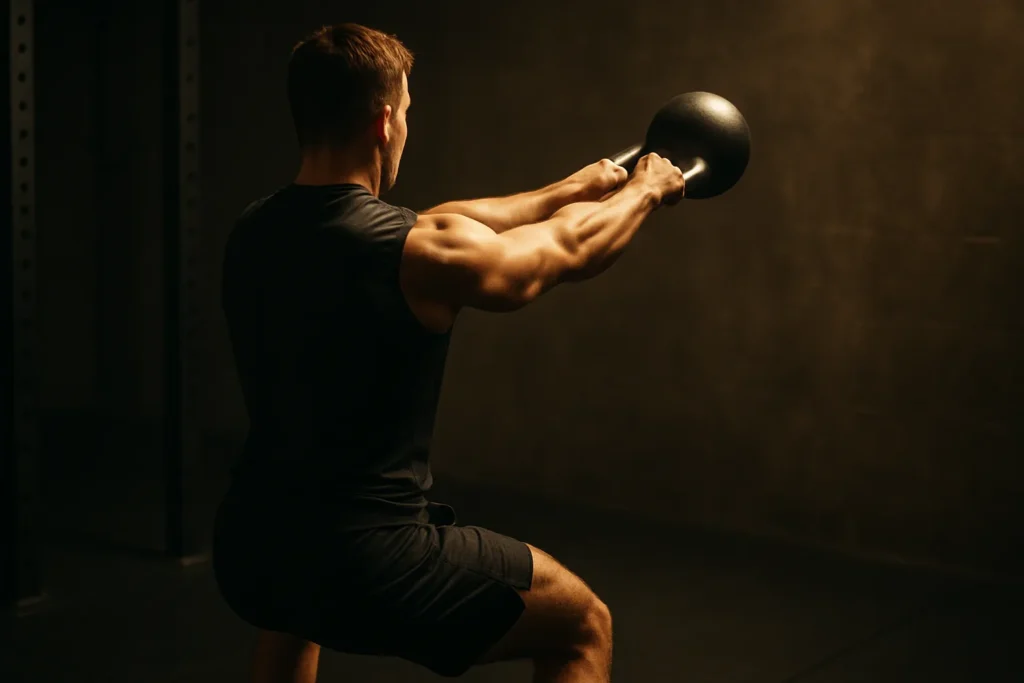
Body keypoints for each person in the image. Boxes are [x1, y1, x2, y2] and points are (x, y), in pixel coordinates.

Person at [212, 22, 686, 683]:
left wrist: (565, 192)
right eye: (405, 111)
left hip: (253, 547)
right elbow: (561, 254)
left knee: (296, 609)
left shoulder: (254, 230)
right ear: (383, 123)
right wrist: (647, 190)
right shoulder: (410, 254)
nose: (406, 125)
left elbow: (441, 222)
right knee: (584, 624)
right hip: (371, 562)